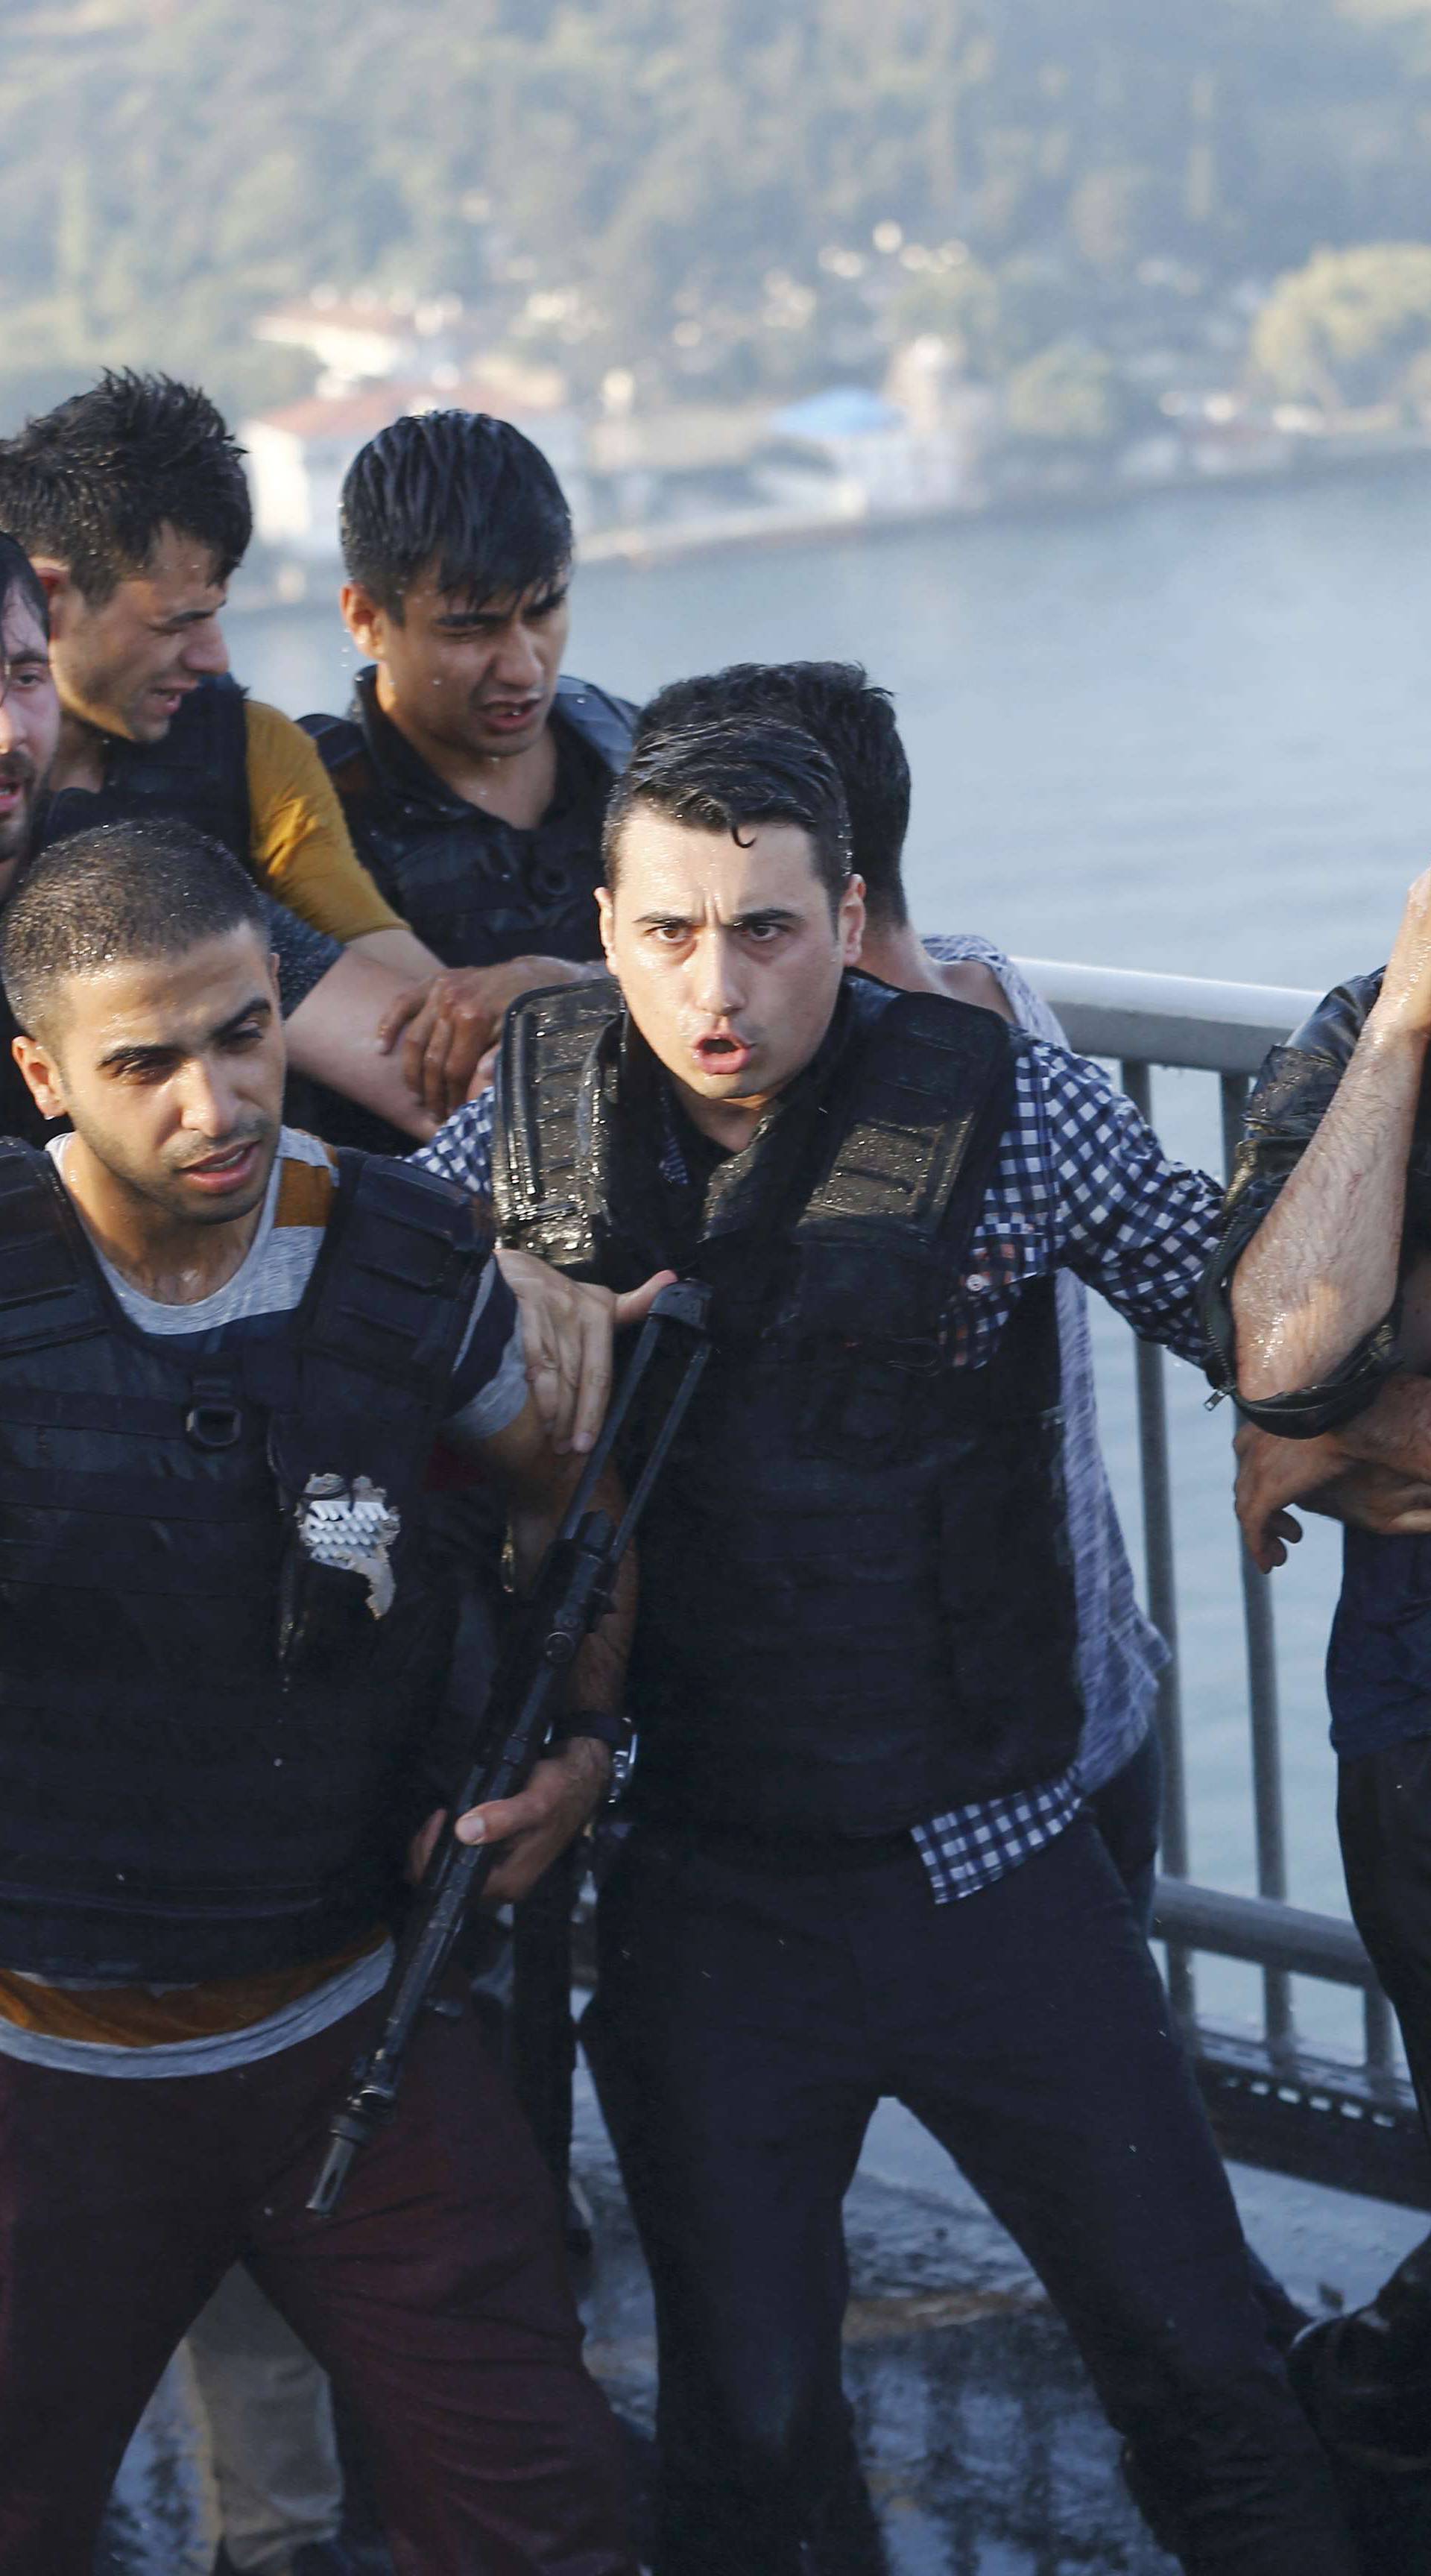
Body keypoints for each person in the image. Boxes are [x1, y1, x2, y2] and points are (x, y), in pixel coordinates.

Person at [423, 715, 1355, 2575]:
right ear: (603, 923)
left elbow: (1252, 1313)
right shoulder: (525, 1123)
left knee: (1202, 2375)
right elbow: (341, 1343)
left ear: (848, 916)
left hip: (993, 1867)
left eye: (767, 928)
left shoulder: (999, 1098)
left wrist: (1391, 1049)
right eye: (669, 929)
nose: (717, 981)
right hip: (702, 1878)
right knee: (750, 2438)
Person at [0, 818, 641, 2576]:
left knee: (545, 2505)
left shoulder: (414, 1263)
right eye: (145, 1062)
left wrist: (578, 1746)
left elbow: (564, 1496)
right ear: (42, 1071)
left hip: (351, 2031)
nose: (215, 1101)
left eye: (242, 1033)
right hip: (41, 2069)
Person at [631, 660, 1168, 1923]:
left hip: (967, 1773)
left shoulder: (975, 1089)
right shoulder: (1000, 1004)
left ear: (834, 892)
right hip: (1090, 1700)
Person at [0, 370, 491, 1134]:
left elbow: (421, 1020)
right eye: (174, 624)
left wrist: (537, 986)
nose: (212, 655)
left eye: (216, 615)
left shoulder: (250, 753)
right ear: (48, 598)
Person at [1206, 868, 1431, 2475]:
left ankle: (1358, 2396)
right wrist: (1410, 1022)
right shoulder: (1368, 1028)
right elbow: (1288, 1367)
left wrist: (1390, 1396)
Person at [303, 408, 634, 1131]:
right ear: (365, 619)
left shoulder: (647, 761)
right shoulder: (301, 817)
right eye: (469, 627)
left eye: (543, 611)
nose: (523, 667)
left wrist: (566, 986)